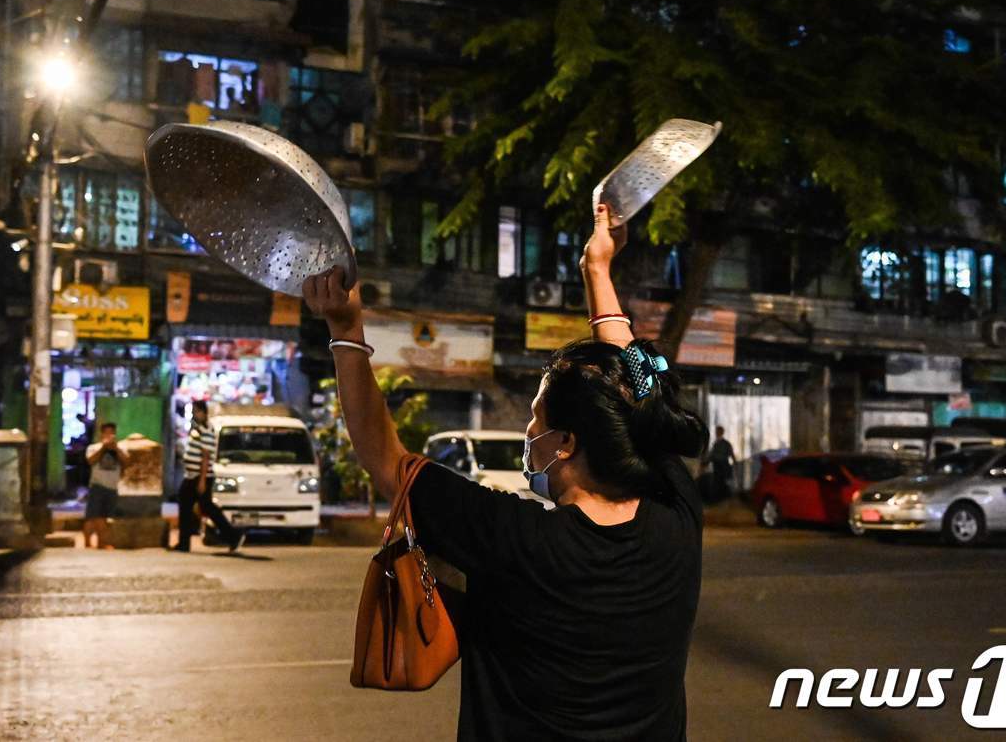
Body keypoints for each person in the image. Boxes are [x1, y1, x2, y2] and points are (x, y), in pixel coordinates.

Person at [303, 203, 708, 740]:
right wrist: (597, 270)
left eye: (535, 416)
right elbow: (637, 389)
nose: (528, 429)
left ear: (564, 443)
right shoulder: (677, 513)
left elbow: (385, 457)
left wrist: (346, 328)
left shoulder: (513, 537)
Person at [173, 401, 245, 553]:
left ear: (203, 412)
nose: (194, 415)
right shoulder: (199, 429)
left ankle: (233, 536)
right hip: (193, 475)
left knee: (206, 507)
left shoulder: (206, 429)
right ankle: (184, 543)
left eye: (196, 411)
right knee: (189, 507)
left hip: (198, 477)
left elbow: (206, 457)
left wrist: (202, 481)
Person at [83, 423, 123, 550]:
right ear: (101, 434)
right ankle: (98, 542)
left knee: (101, 517)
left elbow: (127, 462)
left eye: (112, 433)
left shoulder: (119, 449)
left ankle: (98, 542)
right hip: (97, 485)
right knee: (96, 516)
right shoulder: (94, 448)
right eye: (107, 432)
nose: (109, 435)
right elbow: (90, 461)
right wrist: (103, 448)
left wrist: (116, 449)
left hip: (112, 486)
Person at [709, 425, 736, 501]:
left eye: (718, 431)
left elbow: (731, 454)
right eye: (716, 431)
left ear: (722, 432)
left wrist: (735, 465)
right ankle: (719, 499)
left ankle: (723, 499)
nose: (717, 433)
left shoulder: (725, 444)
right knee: (717, 483)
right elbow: (712, 455)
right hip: (717, 466)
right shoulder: (715, 443)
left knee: (722, 483)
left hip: (723, 466)